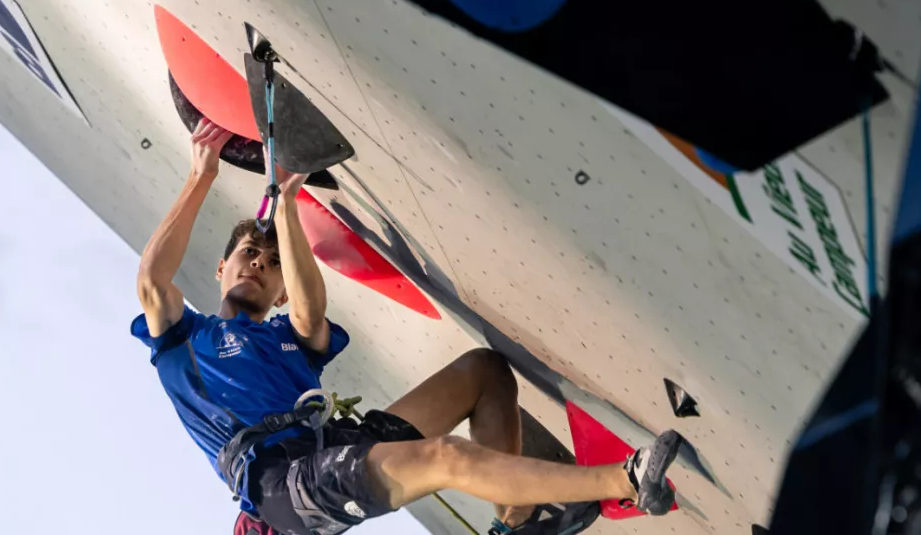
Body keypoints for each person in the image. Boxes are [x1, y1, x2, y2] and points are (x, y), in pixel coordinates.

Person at [133, 118, 685, 535]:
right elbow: (154, 282)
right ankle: (626, 482)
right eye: (248, 253)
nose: (258, 263)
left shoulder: (289, 335)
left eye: (273, 263)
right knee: (444, 457)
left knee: (484, 372)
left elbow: (308, 313)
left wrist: (286, 207)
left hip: (331, 447)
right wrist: (201, 175)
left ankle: (517, 521)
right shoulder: (185, 342)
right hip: (279, 490)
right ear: (221, 266)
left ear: (280, 291)